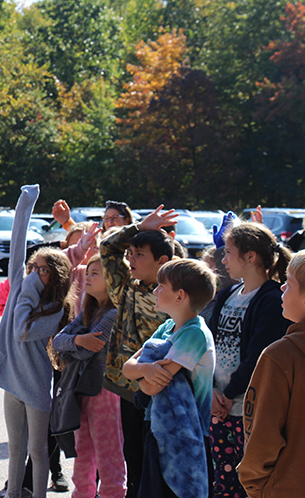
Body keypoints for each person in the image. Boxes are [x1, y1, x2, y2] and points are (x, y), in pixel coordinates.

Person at [0, 185, 74, 498]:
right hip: (12, 383)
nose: (35, 273)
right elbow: (18, 242)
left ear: (56, 276)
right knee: (16, 450)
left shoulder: (55, 309)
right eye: (34, 267)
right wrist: (26, 202)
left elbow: (22, 329)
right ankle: (13, 494)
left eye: (44, 270)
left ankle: (38, 495)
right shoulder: (21, 286)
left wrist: (28, 289)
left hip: (36, 385)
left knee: (37, 450)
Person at [207, 222, 291, 497]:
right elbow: (210, 346)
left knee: (249, 485)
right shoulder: (227, 295)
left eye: (229, 251)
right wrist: (212, 391)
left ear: (250, 256)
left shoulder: (271, 299)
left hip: (246, 412)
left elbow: (259, 356)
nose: (224, 259)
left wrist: (228, 393)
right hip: (219, 407)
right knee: (223, 482)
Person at [237, 247, 305, 497]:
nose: (281, 288)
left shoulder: (280, 356)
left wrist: (257, 488)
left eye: (288, 283)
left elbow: (261, 437)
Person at [100, 205, 177, 498]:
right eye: (130, 253)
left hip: (162, 391)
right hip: (129, 389)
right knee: (133, 456)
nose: (130, 259)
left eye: (138, 254)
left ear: (163, 261)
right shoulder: (127, 288)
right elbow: (108, 247)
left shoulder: (176, 293)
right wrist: (139, 228)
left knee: (159, 463)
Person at [123, 258, 217, 498]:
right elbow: (128, 367)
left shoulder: (194, 333)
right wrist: (147, 370)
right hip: (157, 427)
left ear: (180, 296)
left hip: (186, 436)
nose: (155, 290)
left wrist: (145, 371)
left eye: (161, 286)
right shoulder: (166, 327)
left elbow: (151, 388)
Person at [52, 253, 126, 498]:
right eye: (88, 273)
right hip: (80, 391)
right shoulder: (86, 312)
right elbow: (56, 342)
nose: (88, 278)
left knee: (109, 457)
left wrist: (73, 343)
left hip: (105, 393)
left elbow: (85, 351)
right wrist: (77, 340)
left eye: (96, 273)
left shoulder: (113, 315)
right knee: (82, 457)